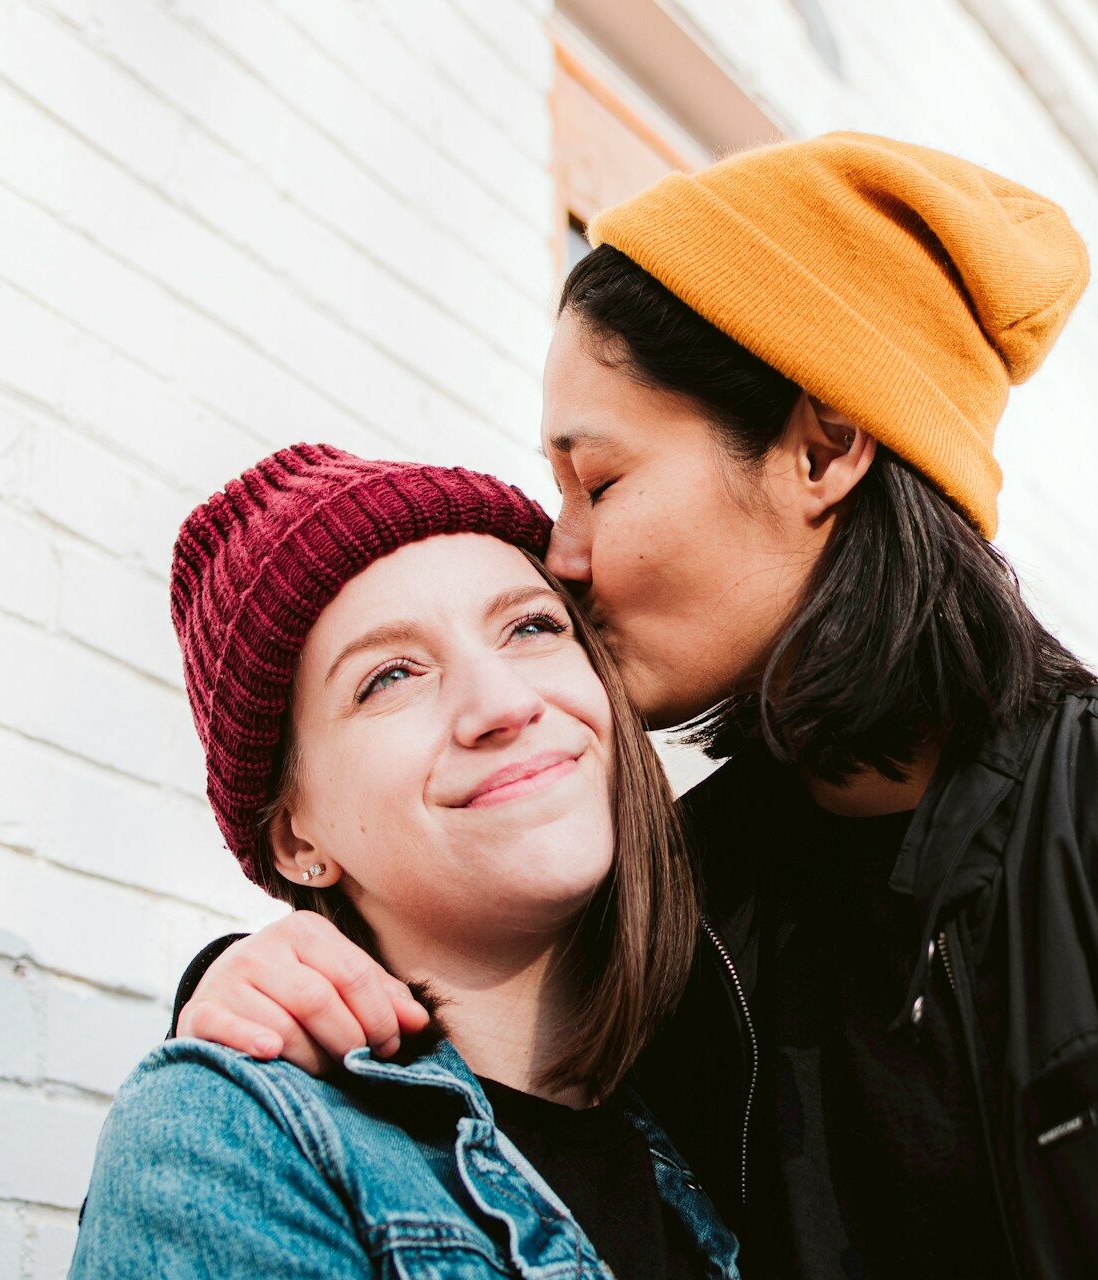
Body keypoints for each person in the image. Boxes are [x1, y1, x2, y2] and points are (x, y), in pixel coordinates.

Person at [170, 134, 1098, 1280]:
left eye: (600, 482)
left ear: (826, 446)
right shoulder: (693, 915)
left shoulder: (1077, 829)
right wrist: (243, 984)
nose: (564, 555)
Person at [70, 444, 740, 1278]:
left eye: (532, 626)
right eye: (390, 676)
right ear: (296, 840)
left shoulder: (740, 1080)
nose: (501, 703)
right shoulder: (234, 1138)